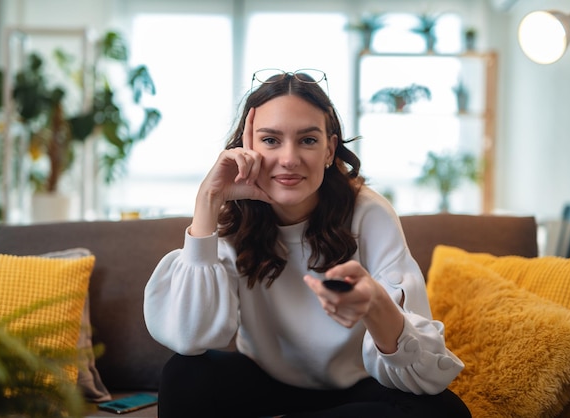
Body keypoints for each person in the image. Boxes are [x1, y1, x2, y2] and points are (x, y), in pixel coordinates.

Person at [143, 68, 471, 417]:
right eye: (270, 140)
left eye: (308, 140)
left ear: (330, 150)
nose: (288, 159)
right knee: (183, 374)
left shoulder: (368, 213)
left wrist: (374, 302)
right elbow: (188, 338)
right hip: (264, 384)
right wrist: (208, 200)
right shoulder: (233, 219)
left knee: (445, 412)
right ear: (247, 147)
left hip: (358, 389)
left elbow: (422, 368)